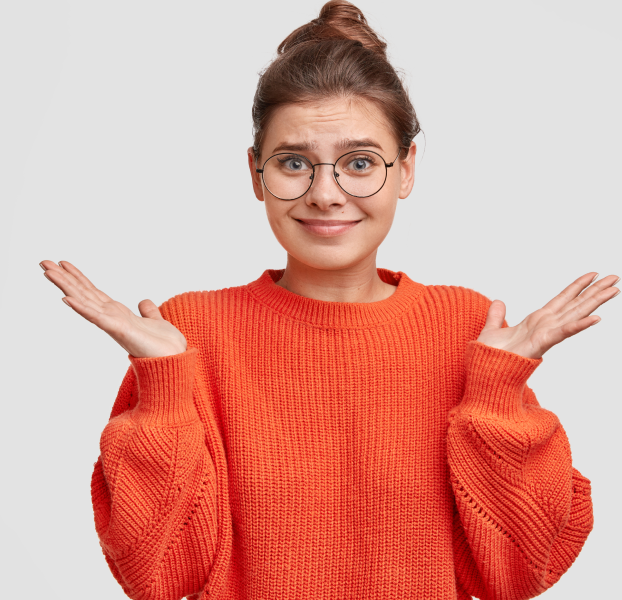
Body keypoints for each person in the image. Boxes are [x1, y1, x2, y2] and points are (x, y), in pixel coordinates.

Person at [39, 1, 618, 599]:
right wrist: (163, 388)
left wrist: (498, 393)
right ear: (255, 173)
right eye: (294, 163)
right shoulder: (188, 334)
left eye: (360, 163)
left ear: (407, 169)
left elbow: (518, 572)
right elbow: (156, 574)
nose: (325, 194)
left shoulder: (468, 328)